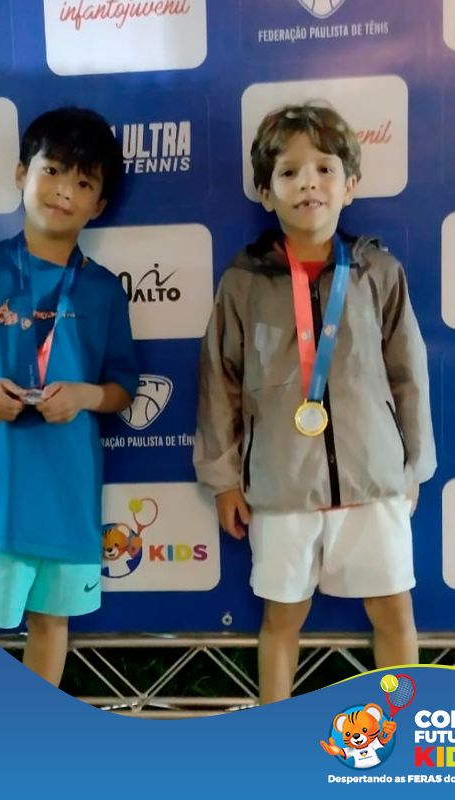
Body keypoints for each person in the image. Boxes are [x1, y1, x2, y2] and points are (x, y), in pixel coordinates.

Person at [193, 102, 436, 704]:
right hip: (281, 486)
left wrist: (412, 466)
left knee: (394, 612)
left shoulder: (378, 271)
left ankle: (406, 736)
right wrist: (223, 480)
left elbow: (409, 375)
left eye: (325, 169)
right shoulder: (243, 281)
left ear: (350, 186)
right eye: (289, 172)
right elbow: (220, 382)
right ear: (265, 192)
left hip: (374, 479)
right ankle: (278, 739)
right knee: (281, 619)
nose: (309, 183)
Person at [0, 106, 138, 686]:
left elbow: (122, 390)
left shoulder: (103, 290)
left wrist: (85, 396)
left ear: (99, 205)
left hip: (66, 497)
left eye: (83, 183)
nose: (64, 191)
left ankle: (35, 735)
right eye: (53, 171)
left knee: (51, 626)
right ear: (22, 174)